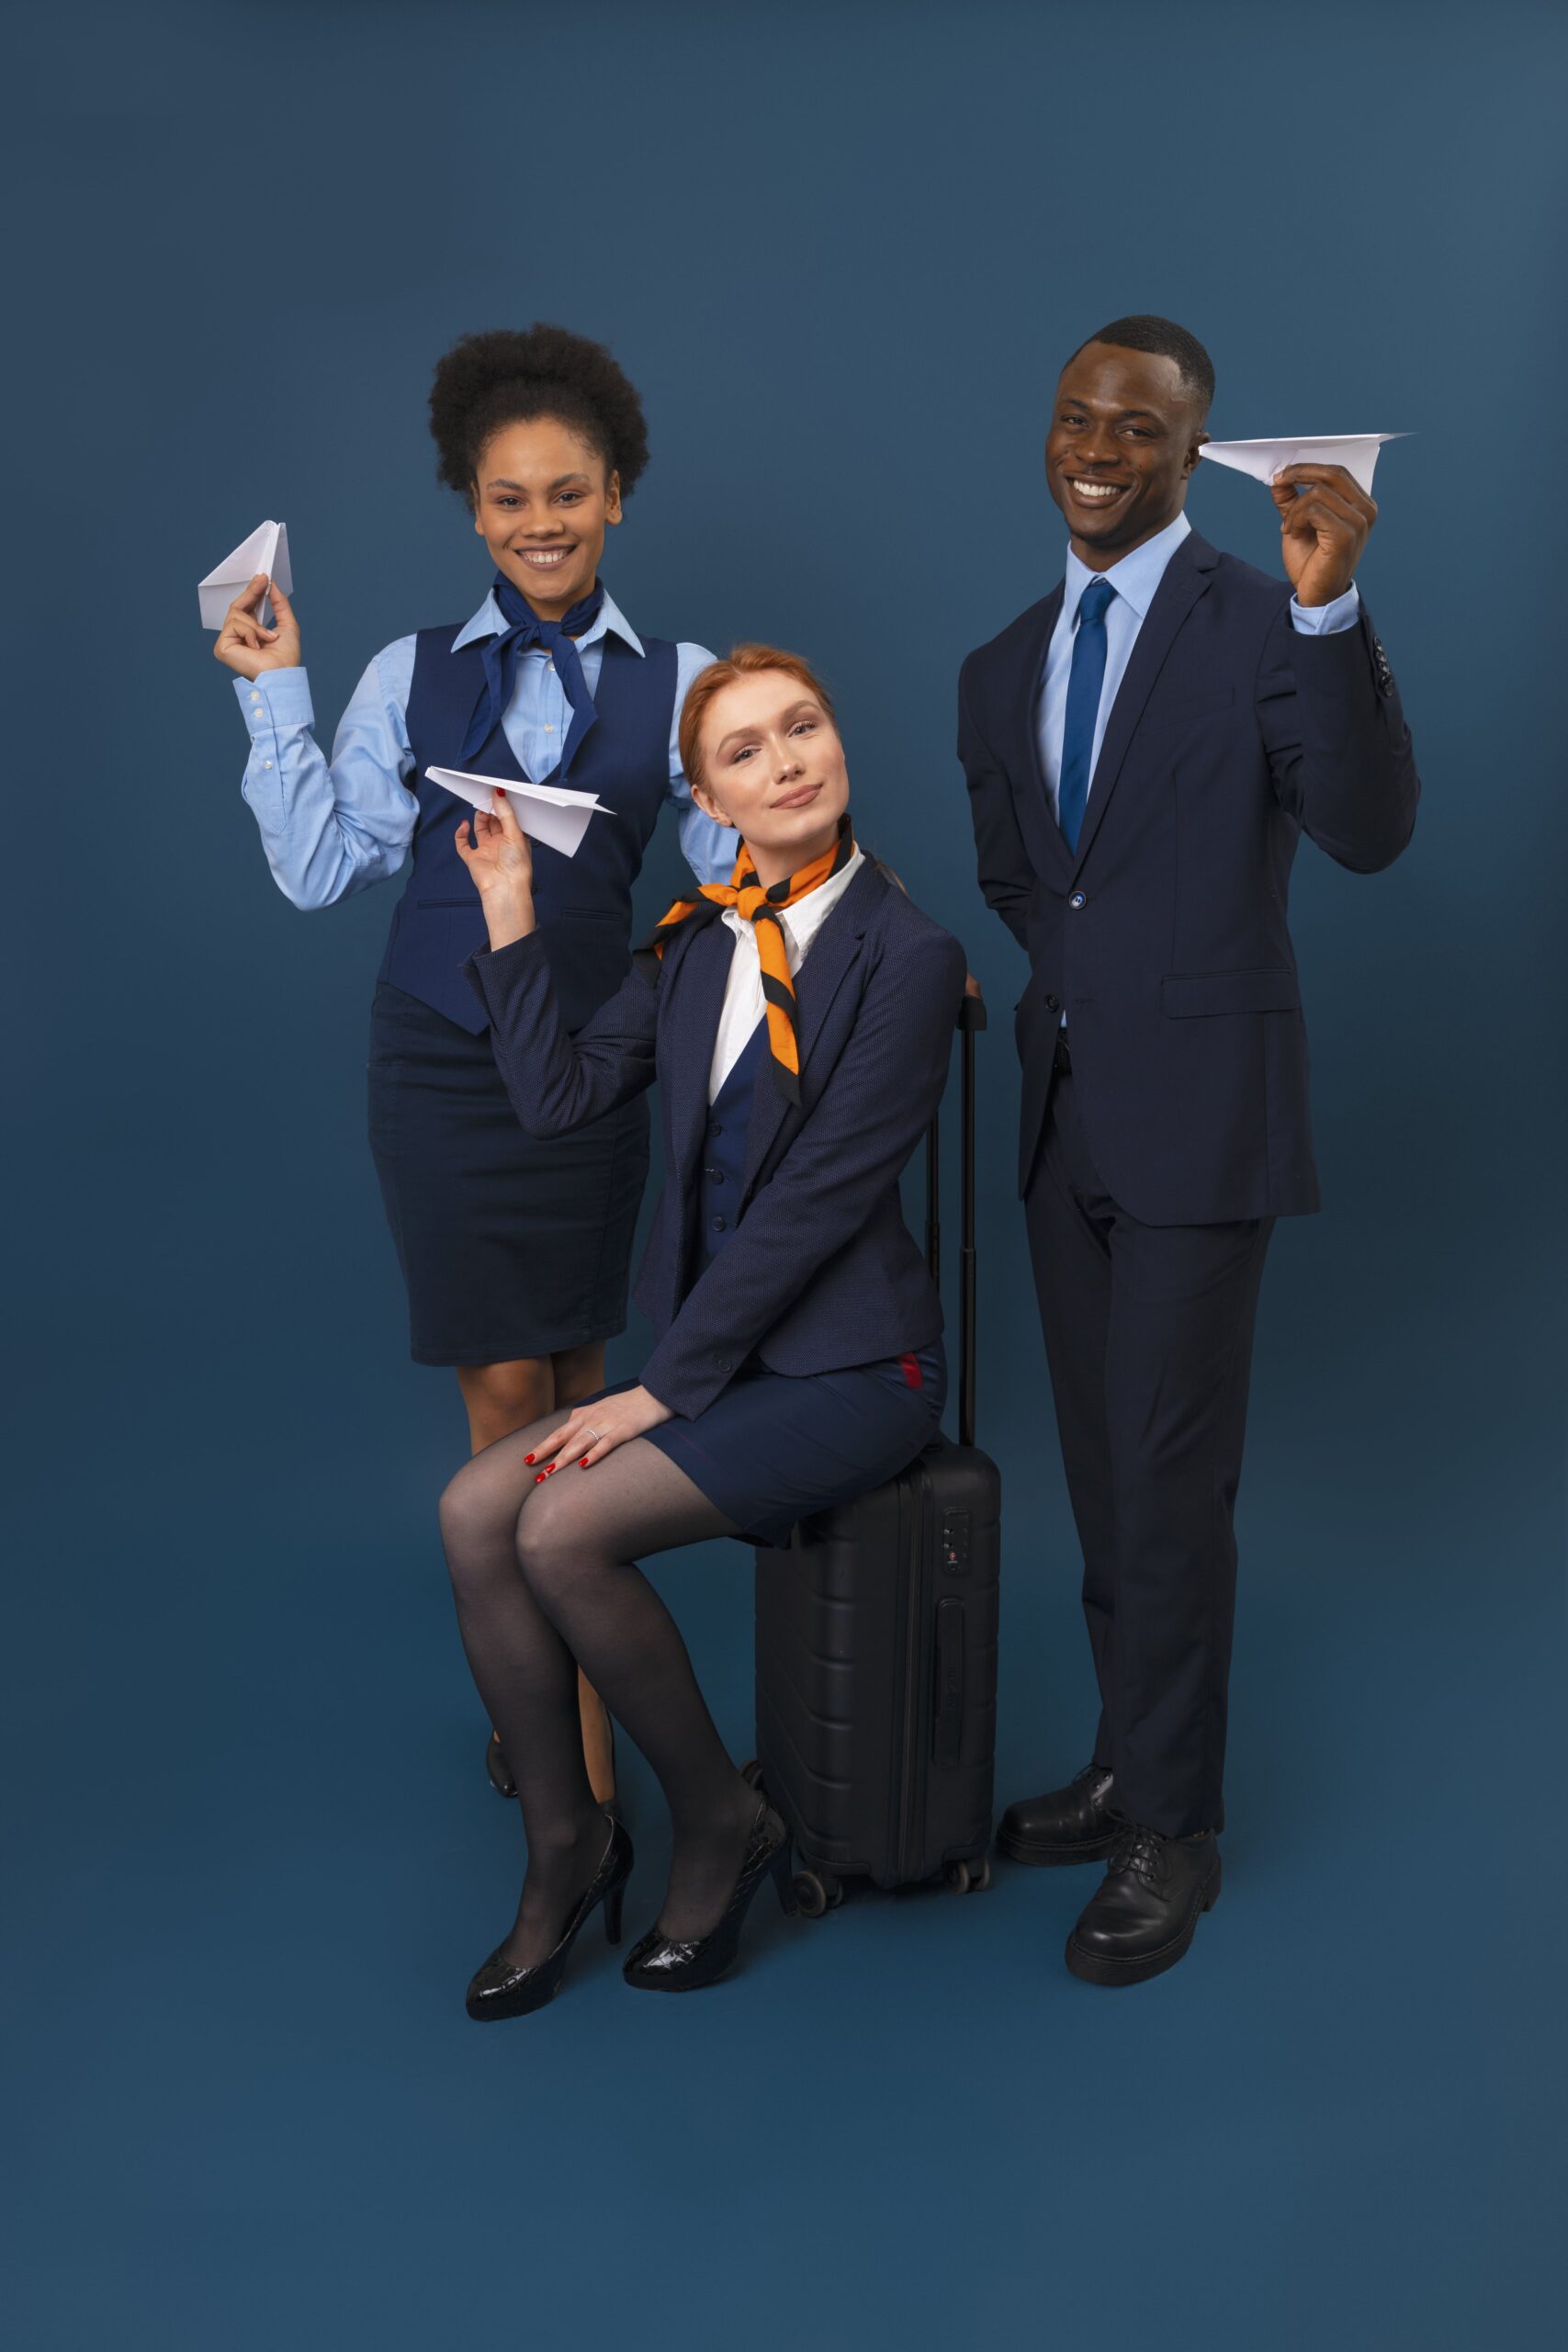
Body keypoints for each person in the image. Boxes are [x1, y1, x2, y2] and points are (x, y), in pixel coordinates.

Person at [211, 325, 733, 1810]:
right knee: (508, 1395)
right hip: (441, 1066)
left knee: (580, 1382)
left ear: (618, 494)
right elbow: (322, 869)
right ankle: (577, 1772)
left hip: (590, 1068)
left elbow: (733, 873)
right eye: (510, 499)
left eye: (570, 492)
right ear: (473, 509)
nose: (542, 523)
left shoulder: (683, 680)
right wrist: (273, 690)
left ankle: (549, 1671)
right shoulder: (408, 671)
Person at [957, 315, 1419, 1986]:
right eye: (1077, 416)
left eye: (1137, 428)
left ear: (1188, 446)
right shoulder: (1000, 663)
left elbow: (1367, 830)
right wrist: (1086, 994)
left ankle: (1178, 1832)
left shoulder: (1263, 615)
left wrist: (1330, 605)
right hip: (1063, 1115)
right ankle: (1123, 1764)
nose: (1099, 447)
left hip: (1206, 1125)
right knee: (1100, 1477)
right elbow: (1024, 880)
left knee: (1167, 1482)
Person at [436, 645, 967, 2017]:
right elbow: (556, 1099)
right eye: (747, 750)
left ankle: (720, 1820)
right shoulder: (692, 943)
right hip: (718, 1373)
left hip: (856, 1369)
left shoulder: (909, 954)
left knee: (560, 1526)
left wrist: (657, 1393)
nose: (789, 760)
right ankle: (570, 1847)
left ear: (839, 746)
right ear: (711, 797)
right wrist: (508, 909)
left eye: (806, 727)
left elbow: (810, 1210)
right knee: (474, 1509)